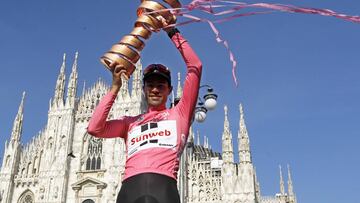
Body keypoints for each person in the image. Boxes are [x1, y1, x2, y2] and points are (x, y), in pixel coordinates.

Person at [87, 26, 202, 203]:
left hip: (164, 190)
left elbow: (195, 66)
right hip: (129, 191)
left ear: (169, 90)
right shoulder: (129, 123)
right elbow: (95, 128)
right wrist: (115, 87)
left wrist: (172, 32)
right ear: (144, 90)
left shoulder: (179, 114)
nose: (155, 89)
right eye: (150, 85)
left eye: (161, 86)